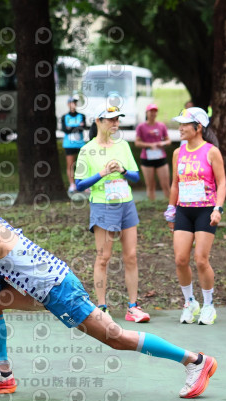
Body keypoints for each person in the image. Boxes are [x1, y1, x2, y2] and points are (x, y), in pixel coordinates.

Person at [0, 182, 217, 398]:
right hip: (44, 289)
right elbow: (3, 268)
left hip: (59, 290)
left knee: (116, 338)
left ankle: (195, 361)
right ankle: (3, 375)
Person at [74, 106, 149, 323]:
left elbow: (136, 177)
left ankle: (133, 307)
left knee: (131, 256)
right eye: (110, 120)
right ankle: (102, 307)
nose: (115, 123)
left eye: (117, 120)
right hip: (102, 205)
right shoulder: (87, 150)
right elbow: (79, 184)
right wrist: (103, 173)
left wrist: (122, 170)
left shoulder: (123, 145)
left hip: (126, 203)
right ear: (98, 121)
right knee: (103, 258)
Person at [164, 108, 226, 325]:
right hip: (183, 210)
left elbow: (222, 183)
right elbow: (175, 184)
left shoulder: (211, 152)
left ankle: (209, 305)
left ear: (198, 127)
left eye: (184, 124)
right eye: (179, 124)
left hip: (205, 210)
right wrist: (171, 210)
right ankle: (190, 302)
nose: (180, 128)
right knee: (180, 259)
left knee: (201, 259)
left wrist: (218, 209)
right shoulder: (178, 152)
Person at [134, 103, 171, 200]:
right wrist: (149, 145)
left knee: (166, 185)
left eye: (155, 111)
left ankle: (170, 205)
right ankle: (152, 205)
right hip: (147, 158)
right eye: (151, 111)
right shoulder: (141, 127)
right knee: (150, 185)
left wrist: (162, 143)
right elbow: (137, 143)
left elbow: (168, 140)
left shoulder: (161, 126)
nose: (153, 113)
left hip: (160, 157)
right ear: (147, 112)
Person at [60, 97, 87, 193]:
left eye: (75, 103)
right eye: (71, 103)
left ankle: (84, 184)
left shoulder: (81, 116)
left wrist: (71, 127)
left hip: (80, 144)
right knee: (70, 165)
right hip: (69, 144)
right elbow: (65, 129)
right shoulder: (64, 117)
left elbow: (82, 128)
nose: (73, 104)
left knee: (83, 164)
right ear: (68, 104)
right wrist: (77, 127)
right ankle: (72, 184)